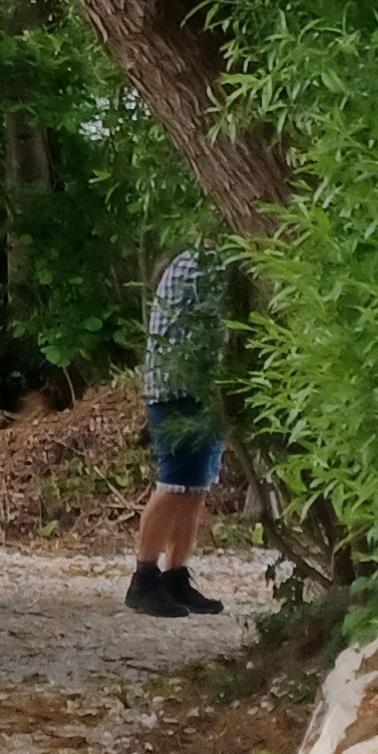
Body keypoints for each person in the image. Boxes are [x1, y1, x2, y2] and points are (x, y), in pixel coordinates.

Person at [128, 243, 229, 618]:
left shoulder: (200, 261)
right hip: (178, 390)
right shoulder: (201, 262)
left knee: (195, 488)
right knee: (174, 485)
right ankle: (143, 578)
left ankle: (175, 575)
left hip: (198, 389)